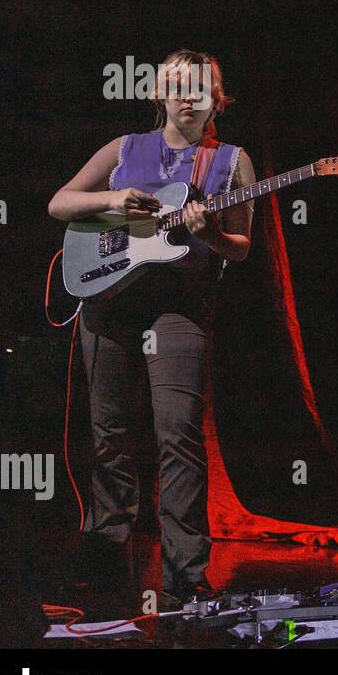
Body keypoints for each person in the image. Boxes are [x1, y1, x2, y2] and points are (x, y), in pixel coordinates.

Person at [48, 49, 257, 606]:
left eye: (199, 89)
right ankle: (105, 561)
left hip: (179, 305)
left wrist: (209, 233)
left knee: (178, 434)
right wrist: (113, 198)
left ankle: (186, 575)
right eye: (177, 87)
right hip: (111, 298)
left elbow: (240, 248)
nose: (187, 98)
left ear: (216, 98)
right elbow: (60, 203)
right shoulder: (124, 150)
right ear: (159, 94)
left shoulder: (231, 162)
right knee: (109, 435)